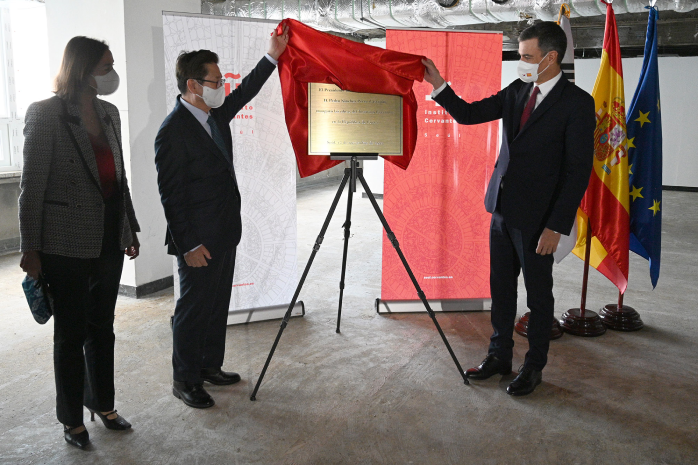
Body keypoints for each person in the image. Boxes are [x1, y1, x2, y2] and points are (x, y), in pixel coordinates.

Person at [422, 21, 595, 396]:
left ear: (551, 58)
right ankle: (499, 355)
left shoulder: (578, 104)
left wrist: (556, 226)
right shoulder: (518, 90)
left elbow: (578, 171)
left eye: (527, 56)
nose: (521, 63)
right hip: (501, 211)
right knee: (500, 290)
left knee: (538, 295)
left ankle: (534, 367)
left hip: (539, 220)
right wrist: (438, 84)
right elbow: (469, 114)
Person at [154, 25, 289, 409]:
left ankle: (209, 366)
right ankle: (185, 379)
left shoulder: (213, 116)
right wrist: (189, 244)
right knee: (193, 310)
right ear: (194, 85)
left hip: (224, 231)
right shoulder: (173, 131)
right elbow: (171, 197)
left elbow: (245, 90)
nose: (223, 85)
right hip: (197, 239)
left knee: (215, 305)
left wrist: (272, 56)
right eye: (216, 80)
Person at [19, 37, 140, 448]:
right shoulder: (46, 114)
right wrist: (30, 247)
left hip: (109, 234)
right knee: (70, 333)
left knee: (101, 327)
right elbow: (30, 187)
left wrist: (129, 228)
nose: (111, 74)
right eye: (105, 66)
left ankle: (102, 403)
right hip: (63, 242)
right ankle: (71, 419)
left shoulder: (109, 114)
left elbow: (119, 179)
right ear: (84, 69)